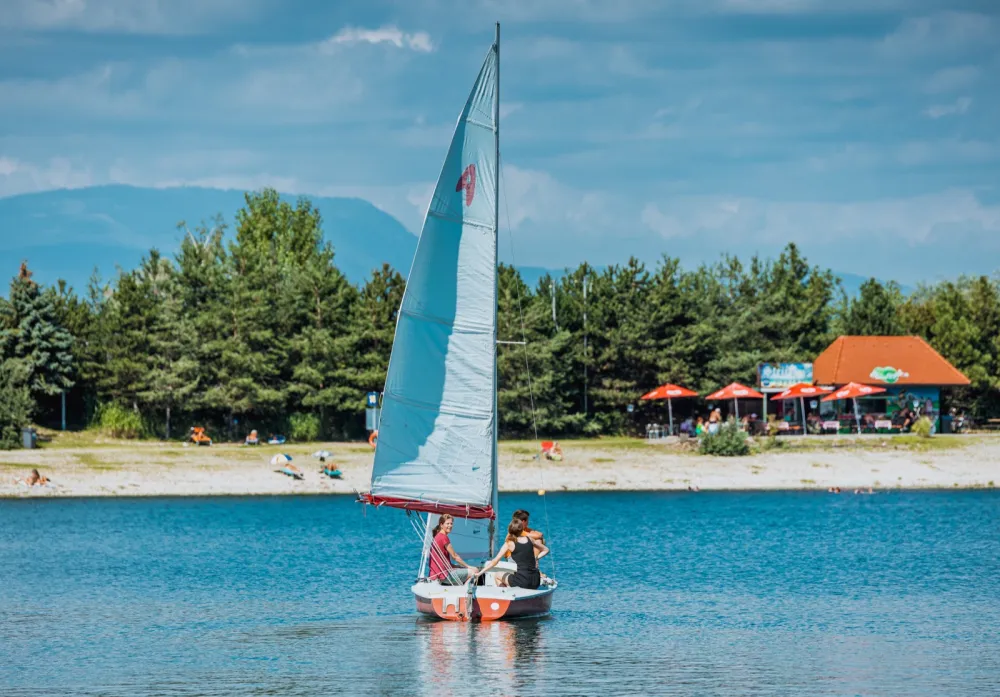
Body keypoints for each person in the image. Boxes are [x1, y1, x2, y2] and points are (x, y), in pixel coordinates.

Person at [476, 519, 548, 589]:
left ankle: (506, 595)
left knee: (497, 575)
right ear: (522, 530)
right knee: (517, 575)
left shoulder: (509, 544)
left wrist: (479, 573)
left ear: (510, 530)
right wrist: (536, 558)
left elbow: (495, 561)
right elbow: (546, 550)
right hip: (536, 580)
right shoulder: (530, 539)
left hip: (523, 581)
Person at [428, 514, 478, 585]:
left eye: (451, 524)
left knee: (461, 569)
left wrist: (458, 567)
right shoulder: (443, 537)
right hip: (444, 576)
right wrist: (468, 567)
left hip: (436, 574)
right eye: (447, 523)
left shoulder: (437, 536)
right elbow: (455, 556)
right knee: (474, 571)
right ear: (441, 525)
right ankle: (465, 591)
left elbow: (443, 562)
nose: (450, 526)